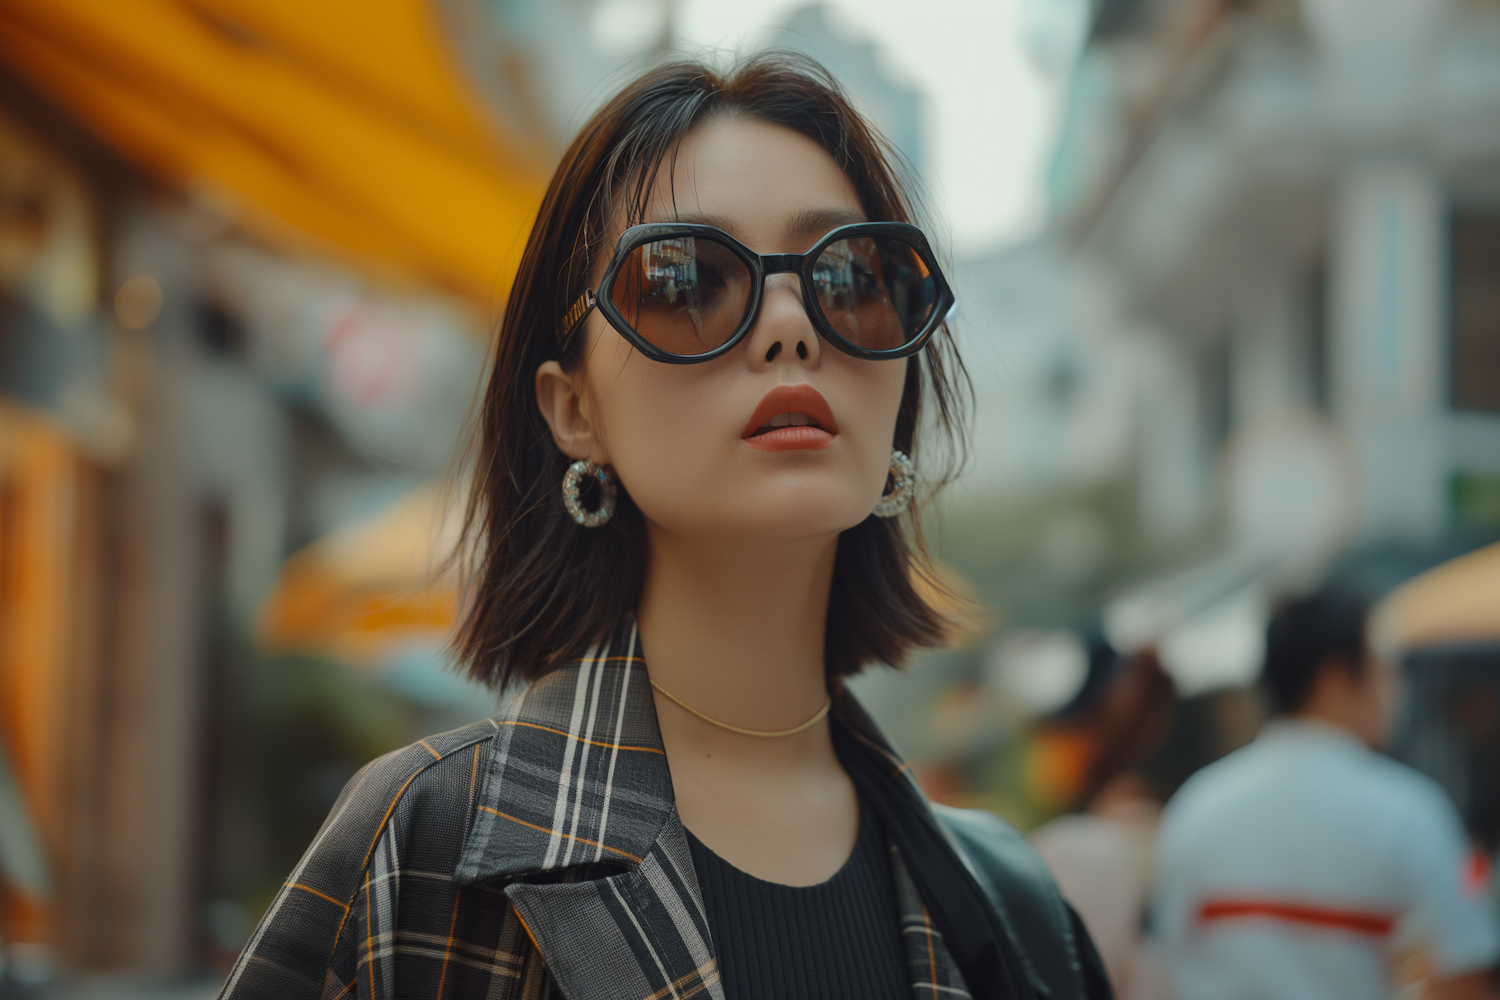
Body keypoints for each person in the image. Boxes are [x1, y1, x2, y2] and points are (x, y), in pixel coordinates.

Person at [218, 55, 1111, 1000]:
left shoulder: (1011, 913)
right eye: (686, 281)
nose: (790, 327)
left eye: (849, 275)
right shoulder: (422, 848)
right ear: (574, 412)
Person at [1150, 585, 1500, 1000]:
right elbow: (1465, 982)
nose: (1393, 690)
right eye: (1381, 669)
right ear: (1334, 680)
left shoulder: (1195, 808)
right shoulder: (1406, 811)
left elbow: (1169, 963)